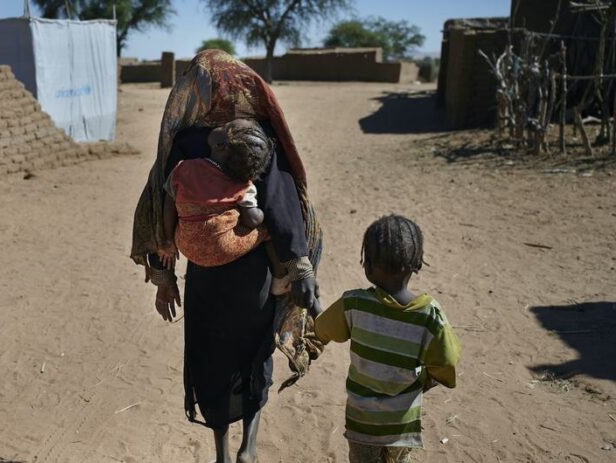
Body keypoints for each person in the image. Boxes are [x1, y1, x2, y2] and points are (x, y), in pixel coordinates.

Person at [131, 50, 323, 463]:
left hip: (205, 278)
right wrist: (300, 265)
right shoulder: (258, 137)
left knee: (210, 356)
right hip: (253, 277)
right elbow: (283, 202)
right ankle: (249, 447)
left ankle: (221, 452)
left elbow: (161, 211)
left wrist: (165, 278)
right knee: (254, 353)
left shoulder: (185, 143)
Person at [315, 214, 461, 463]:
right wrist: (427, 379)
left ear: (368, 265)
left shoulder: (354, 304)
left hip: (363, 421)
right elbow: (447, 362)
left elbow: (323, 329)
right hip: (402, 424)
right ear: (418, 263)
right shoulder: (430, 315)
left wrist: (313, 303)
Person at [158, 119, 277, 269]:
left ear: (221, 146)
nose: (218, 125)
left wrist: (168, 239)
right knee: (267, 232)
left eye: (224, 126)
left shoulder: (183, 168)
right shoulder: (243, 185)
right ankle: (281, 276)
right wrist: (260, 215)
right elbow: (251, 221)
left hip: (184, 244)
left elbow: (169, 204)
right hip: (222, 249)